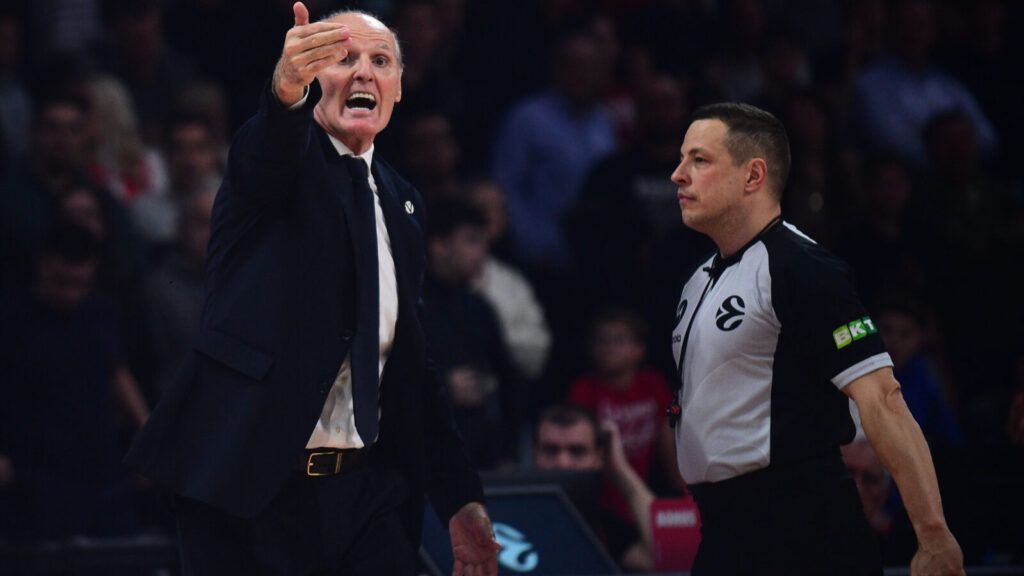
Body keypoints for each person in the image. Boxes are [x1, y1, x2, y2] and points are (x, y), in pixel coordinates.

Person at [124, 5, 499, 575]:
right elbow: (269, 147)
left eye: (381, 61)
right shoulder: (277, 168)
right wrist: (283, 92)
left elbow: (409, 367)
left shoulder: (403, 203)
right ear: (312, 77)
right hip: (255, 497)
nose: (364, 73)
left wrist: (460, 495)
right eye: (342, 59)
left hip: (367, 496)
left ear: (398, 89)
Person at [668, 102, 963, 575]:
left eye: (699, 160)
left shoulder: (803, 269)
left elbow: (883, 399)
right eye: (683, 159)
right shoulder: (699, 278)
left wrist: (932, 534)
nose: (678, 175)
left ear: (752, 176)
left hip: (804, 532)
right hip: (724, 529)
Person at [533, 404, 656, 572]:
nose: (562, 463)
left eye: (577, 451)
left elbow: (668, 558)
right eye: (550, 450)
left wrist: (622, 472)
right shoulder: (510, 518)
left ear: (599, 458)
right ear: (535, 455)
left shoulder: (607, 528)